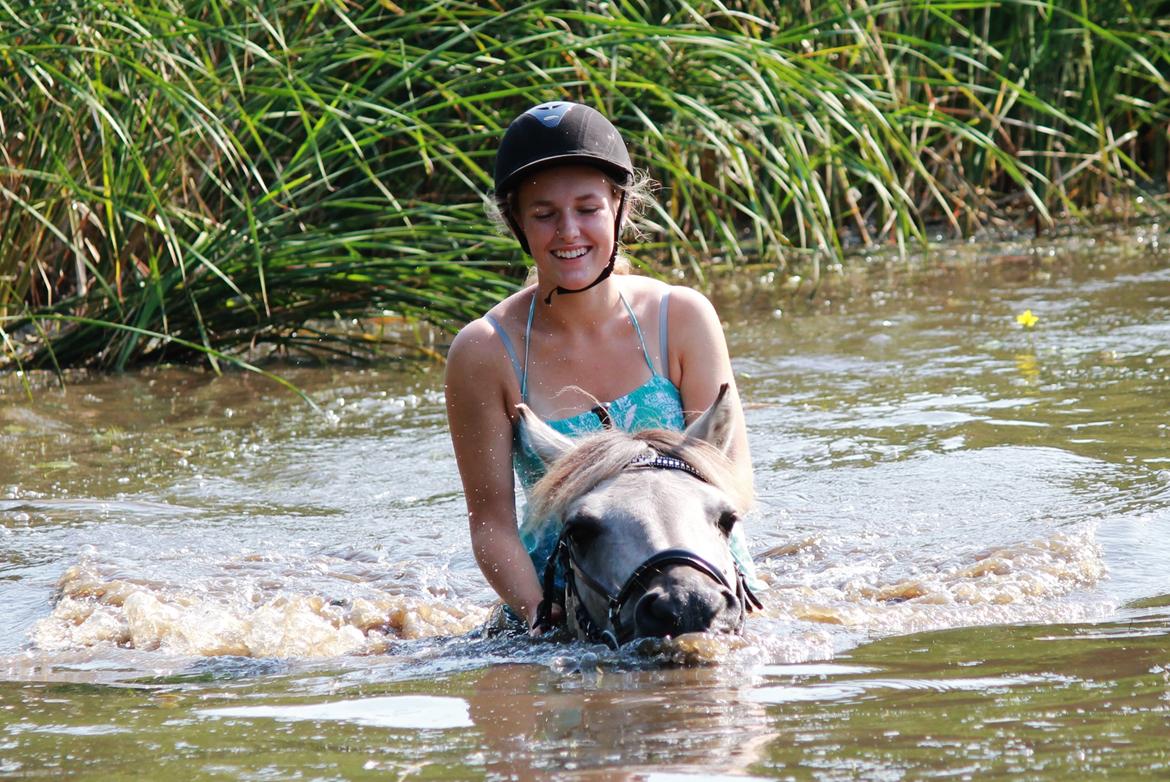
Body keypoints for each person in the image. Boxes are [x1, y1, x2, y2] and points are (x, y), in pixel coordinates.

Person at [445, 100, 759, 635]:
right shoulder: (482, 352)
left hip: (704, 576)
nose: (568, 232)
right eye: (544, 214)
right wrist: (537, 614)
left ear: (619, 206)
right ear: (517, 222)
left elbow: (731, 480)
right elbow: (490, 524)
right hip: (562, 600)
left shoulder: (682, 318)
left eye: (587, 209)